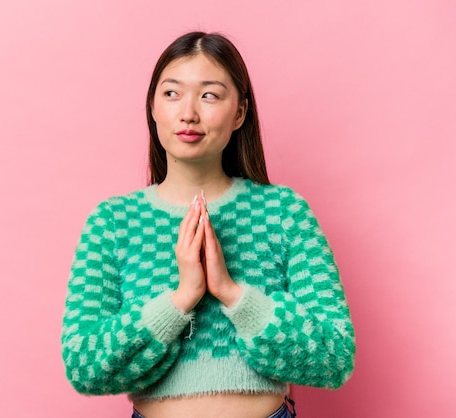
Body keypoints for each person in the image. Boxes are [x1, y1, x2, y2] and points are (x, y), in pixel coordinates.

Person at [61, 31, 355, 418]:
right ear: (152, 107)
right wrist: (182, 298)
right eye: (171, 94)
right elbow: (85, 367)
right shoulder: (113, 222)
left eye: (210, 95)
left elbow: (334, 357)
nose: (188, 113)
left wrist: (232, 293)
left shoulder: (284, 212)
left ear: (240, 112)